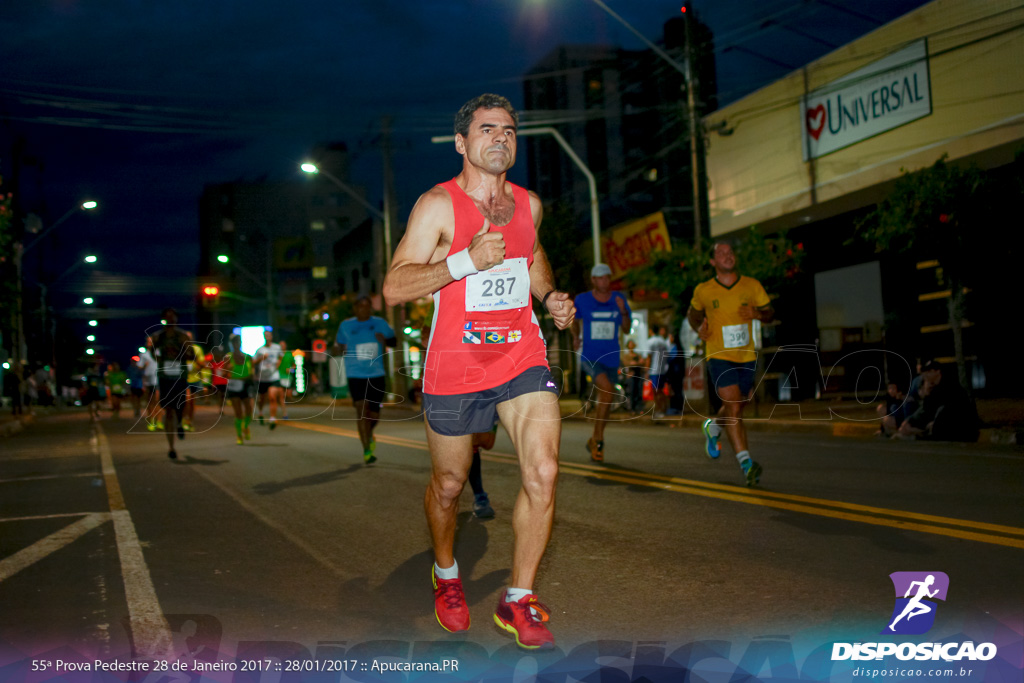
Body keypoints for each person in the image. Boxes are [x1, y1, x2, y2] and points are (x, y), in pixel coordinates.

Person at [382, 93, 575, 650]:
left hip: (521, 355)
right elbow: (395, 286)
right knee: (448, 485)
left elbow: (531, 256)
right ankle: (446, 575)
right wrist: (466, 260)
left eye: (510, 131)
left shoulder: (529, 204)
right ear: (463, 142)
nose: (502, 138)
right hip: (456, 361)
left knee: (543, 471)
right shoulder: (437, 206)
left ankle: (518, 600)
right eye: (488, 129)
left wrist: (550, 295)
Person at [687, 242, 774, 487]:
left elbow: (770, 313)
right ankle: (746, 463)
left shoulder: (751, 285)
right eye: (721, 254)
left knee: (739, 404)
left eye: (730, 252)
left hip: (746, 356)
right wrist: (699, 328)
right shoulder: (704, 290)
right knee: (734, 407)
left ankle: (713, 426)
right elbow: (692, 315)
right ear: (713, 262)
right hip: (718, 355)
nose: (728, 256)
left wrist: (757, 314)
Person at [573, 263, 631, 461]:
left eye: (607, 277)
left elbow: (626, 329)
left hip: (612, 357)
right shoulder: (582, 300)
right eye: (600, 278)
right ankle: (598, 440)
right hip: (590, 355)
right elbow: (574, 319)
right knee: (606, 390)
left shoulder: (619, 299)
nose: (604, 281)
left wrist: (623, 311)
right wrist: (575, 336)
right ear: (593, 280)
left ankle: (596, 437)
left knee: (607, 398)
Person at [334, 296, 397, 463]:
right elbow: (339, 345)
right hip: (355, 374)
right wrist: (336, 349)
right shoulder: (346, 325)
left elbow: (394, 340)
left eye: (367, 306)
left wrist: (386, 340)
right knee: (361, 410)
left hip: (376, 374)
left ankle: (369, 435)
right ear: (355, 309)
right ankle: (367, 451)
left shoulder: (380, 323)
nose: (364, 309)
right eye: (361, 306)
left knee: (374, 415)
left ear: (371, 308)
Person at [148, 308, 196, 459]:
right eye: (167, 318)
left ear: (176, 320)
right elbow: (152, 352)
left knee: (180, 406)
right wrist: (161, 362)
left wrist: (182, 352)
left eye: (172, 318)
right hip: (165, 377)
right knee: (168, 410)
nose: (169, 321)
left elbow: (192, 355)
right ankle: (171, 447)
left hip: (180, 376)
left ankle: (180, 423)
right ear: (163, 320)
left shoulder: (182, 336)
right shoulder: (157, 337)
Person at [895, 360, 979, 442]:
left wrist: (934, 423)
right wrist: (909, 421)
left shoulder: (950, 386)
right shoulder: (934, 388)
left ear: (937, 372)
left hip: (961, 426)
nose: (926, 375)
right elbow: (926, 409)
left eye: (929, 371)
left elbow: (950, 410)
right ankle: (918, 433)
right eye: (925, 372)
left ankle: (921, 435)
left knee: (941, 413)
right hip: (944, 423)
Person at [224, 334, 255, 445]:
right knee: (238, 413)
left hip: (246, 385)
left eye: (238, 342)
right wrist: (227, 370)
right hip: (234, 386)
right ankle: (239, 436)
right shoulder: (228, 357)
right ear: (232, 344)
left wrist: (252, 375)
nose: (236, 344)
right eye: (234, 342)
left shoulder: (248, 357)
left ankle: (245, 426)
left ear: (241, 343)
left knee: (249, 411)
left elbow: (252, 372)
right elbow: (222, 373)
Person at [253, 330, 284, 430]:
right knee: (262, 398)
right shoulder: (260, 350)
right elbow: (254, 362)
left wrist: (278, 364)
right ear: (264, 337)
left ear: (271, 336)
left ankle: (272, 418)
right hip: (263, 377)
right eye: (265, 335)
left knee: (272, 397)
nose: (267, 337)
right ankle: (261, 413)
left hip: (274, 376)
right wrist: (261, 358)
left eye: (269, 335)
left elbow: (281, 357)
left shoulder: (277, 347)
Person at [646, 326, 670, 419]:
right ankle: (664, 408)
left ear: (651, 330)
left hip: (654, 370)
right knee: (660, 390)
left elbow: (649, 357)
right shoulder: (663, 341)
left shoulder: (651, 341)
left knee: (656, 392)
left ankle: (659, 410)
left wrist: (647, 370)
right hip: (663, 369)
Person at [137, 341, 162, 431]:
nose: (150, 343)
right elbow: (139, 367)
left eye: (152, 341)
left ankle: (159, 420)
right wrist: (144, 366)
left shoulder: (160, 352)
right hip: (149, 381)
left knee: (158, 400)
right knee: (151, 401)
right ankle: (151, 421)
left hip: (159, 379)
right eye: (148, 342)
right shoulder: (144, 354)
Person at [182, 340, 206, 432]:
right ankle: (184, 419)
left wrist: (194, 359)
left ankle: (190, 420)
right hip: (183, 379)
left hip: (194, 379)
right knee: (186, 400)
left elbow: (202, 364)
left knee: (191, 402)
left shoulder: (197, 349)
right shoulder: (180, 349)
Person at [620, 339, 646, 415]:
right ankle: (631, 408)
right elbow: (627, 364)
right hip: (630, 376)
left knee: (639, 391)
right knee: (631, 391)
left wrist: (637, 363)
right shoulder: (626, 356)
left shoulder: (637, 355)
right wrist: (636, 363)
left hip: (638, 375)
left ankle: (638, 408)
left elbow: (642, 363)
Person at [277, 341, 295, 419]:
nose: (282, 347)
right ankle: (285, 413)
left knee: (286, 395)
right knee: (281, 396)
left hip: (287, 378)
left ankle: (283, 410)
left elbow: (294, 366)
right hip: (278, 377)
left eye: (283, 345)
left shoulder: (289, 354)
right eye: (280, 345)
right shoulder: (277, 355)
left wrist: (290, 369)